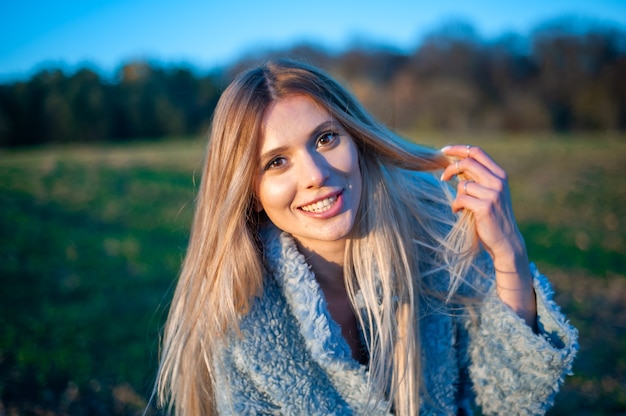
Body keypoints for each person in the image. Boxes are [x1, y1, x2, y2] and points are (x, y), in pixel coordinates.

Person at [153, 59, 578, 415]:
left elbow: (508, 403)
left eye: (325, 138)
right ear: (252, 193)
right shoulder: (242, 317)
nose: (316, 175)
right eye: (277, 162)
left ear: (356, 139)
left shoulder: (436, 232)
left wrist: (508, 255)